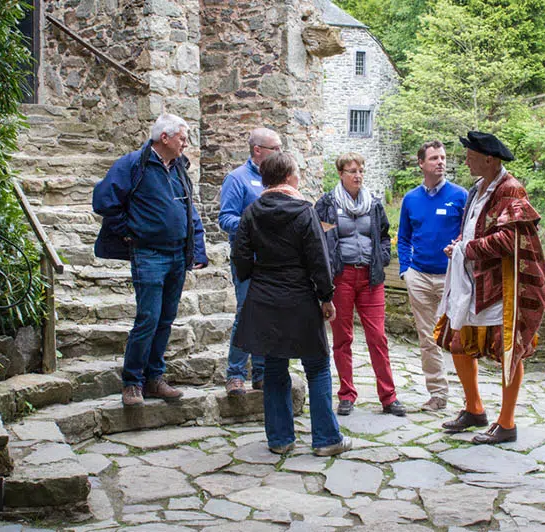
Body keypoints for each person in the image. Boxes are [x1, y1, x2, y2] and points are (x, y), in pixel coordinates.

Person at [232, 152, 352, 456]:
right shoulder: (304, 211)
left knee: (274, 366)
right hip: (300, 297)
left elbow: (240, 257)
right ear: (288, 177)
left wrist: (255, 277)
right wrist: (326, 296)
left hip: (265, 296)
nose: (299, 178)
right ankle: (326, 439)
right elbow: (318, 258)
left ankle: (280, 439)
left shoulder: (251, 212)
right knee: (317, 366)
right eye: (297, 173)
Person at [437, 131, 545, 444]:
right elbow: (475, 228)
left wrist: (467, 249)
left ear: (489, 159)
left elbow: (510, 239)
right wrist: (460, 244)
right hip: (473, 283)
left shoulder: (510, 189)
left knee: (508, 350)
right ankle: (474, 409)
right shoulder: (478, 188)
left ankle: (507, 423)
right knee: (459, 343)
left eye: (471, 156)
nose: (466, 161)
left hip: (501, 286)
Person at [93, 113, 208, 407]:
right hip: (149, 254)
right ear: (164, 138)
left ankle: (154, 379)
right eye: (182, 138)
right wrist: (128, 232)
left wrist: (197, 249)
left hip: (177, 255)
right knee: (148, 318)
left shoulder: (179, 167)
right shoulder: (134, 164)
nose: (186, 143)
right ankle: (132, 382)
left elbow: (190, 211)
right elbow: (103, 201)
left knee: (166, 320)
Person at [315, 153, 406, 417]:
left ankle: (389, 397)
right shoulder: (327, 204)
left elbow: (384, 235)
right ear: (340, 174)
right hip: (341, 278)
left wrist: (383, 257)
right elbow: (319, 239)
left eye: (361, 170)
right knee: (342, 338)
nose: (358, 175)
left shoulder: (373, 204)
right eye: (352, 171)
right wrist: (326, 270)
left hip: (370, 277)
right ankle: (346, 394)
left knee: (377, 337)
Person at [397, 140, 468, 411]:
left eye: (443, 157)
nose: (440, 162)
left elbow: (469, 232)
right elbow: (404, 237)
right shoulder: (411, 199)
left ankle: (470, 399)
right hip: (419, 277)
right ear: (421, 163)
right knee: (428, 338)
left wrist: (458, 248)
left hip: (452, 277)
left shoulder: (460, 196)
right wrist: (406, 270)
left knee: (461, 336)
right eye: (434, 158)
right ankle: (438, 394)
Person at [218, 128, 283, 396]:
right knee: (246, 314)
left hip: (274, 261)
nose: (280, 153)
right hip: (248, 259)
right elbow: (226, 219)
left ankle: (261, 373)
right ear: (258, 150)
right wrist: (257, 224)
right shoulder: (237, 179)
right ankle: (235, 374)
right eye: (275, 148)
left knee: (267, 316)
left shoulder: (277, 179)